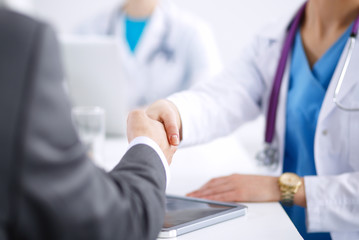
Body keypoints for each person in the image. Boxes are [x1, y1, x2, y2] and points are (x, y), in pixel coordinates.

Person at [141, 0, 359, 239]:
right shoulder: (275, 38)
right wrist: (173, 112)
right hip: (283, 226)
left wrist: (285, 188)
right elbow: (223, 96)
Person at [0, 5, 175, 240]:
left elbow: (214, 94)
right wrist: (149, 145)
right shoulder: (19, 39)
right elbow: (112, 226)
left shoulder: (191, 33)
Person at [78, 0, 222, 109]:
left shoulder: (193, 31)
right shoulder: (88, 30)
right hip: (108, 139)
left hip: (170, 142)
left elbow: (208, 97)